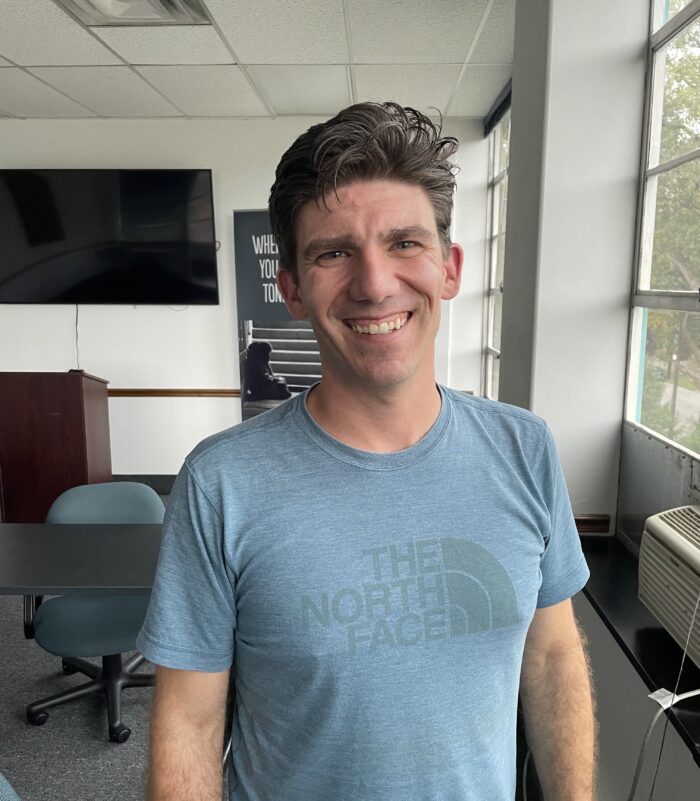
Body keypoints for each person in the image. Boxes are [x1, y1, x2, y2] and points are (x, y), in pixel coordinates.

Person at [138, 102, 596, 801]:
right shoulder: (221, 482)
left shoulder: (524, 447)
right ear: (291, 287)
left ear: (450, 269)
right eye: (333, 252)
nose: (376, 283)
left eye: (405, 243)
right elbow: (190, 720)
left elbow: (551, 655)